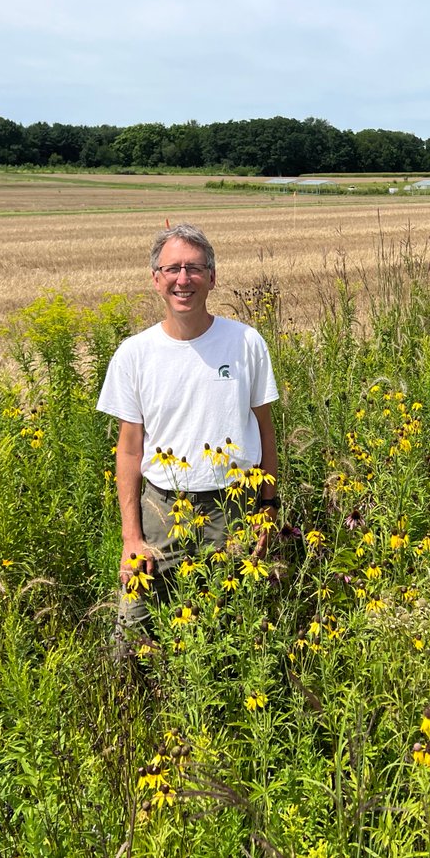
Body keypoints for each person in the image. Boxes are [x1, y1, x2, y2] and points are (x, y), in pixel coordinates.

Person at [97, 223, 280, 636]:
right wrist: (132, 537)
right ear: (156, 279)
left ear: (213, 278)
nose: (184, 279)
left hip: (232, 508)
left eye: (195, 268)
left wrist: (268, 505)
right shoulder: (134, 354)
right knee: (137, 626)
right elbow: (128, 450)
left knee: (233, 622)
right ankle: (133, 696)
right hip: (161, 510)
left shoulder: (246, 343)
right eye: (173, 268)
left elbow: (266, 431)